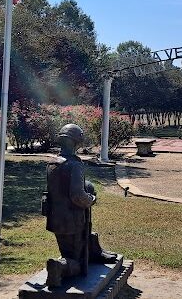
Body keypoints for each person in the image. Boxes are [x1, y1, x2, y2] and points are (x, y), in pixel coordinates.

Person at [43, 123, 117, 287]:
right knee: (78, 261)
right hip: (73, 220)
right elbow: (77, 195)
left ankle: (88, 253)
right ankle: (60, 267)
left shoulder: (52, 163)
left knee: (68, 250)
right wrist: (91, 199)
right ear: (77, 143)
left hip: (56, 219)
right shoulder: (75, 165)